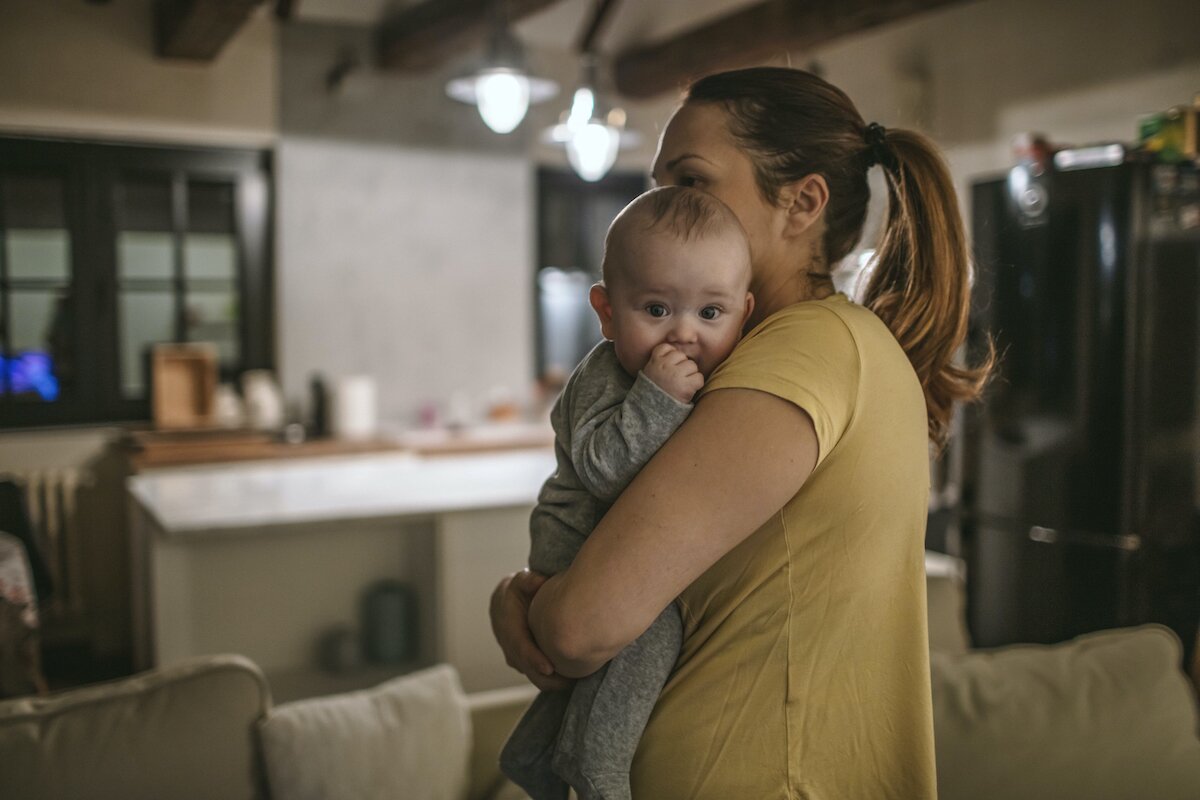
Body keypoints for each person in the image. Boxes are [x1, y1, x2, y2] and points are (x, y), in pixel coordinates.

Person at [491, 66, 992, 799]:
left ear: (803, 202)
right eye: (658, 184)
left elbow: (580, 628)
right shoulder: (804, 347)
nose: (664, 206)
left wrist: (522, 603)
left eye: (691, 181)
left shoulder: (804, 351)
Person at [501, 186, 755, 800]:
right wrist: (659, 400)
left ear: (744, 314)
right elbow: (603, 471)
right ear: (608, 311)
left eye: (710, 314)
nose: (685, 335)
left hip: (608, 546)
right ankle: (598, 768)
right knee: (654, 626)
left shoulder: (726, 379)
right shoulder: (605, 376)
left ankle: (534, 752)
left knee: (608, 672)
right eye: (657, 309)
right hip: (575, 543)